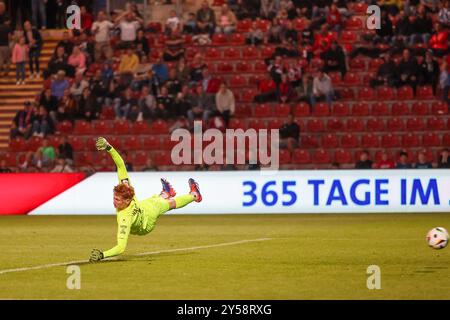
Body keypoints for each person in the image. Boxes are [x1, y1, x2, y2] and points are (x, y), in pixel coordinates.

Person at [89, 137, 202, 262]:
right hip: (142, 217)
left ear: (127, 201)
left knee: (167, 203)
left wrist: (101, 255)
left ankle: (194, 195)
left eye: (117, 199)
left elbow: (121, 248)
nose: (114, 201)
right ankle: (165, 194)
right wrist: (109, 147)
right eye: (114, 197)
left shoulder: (124, 217)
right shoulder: (126, 190)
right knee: (156, 201)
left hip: (147, 219)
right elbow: (120, 165)